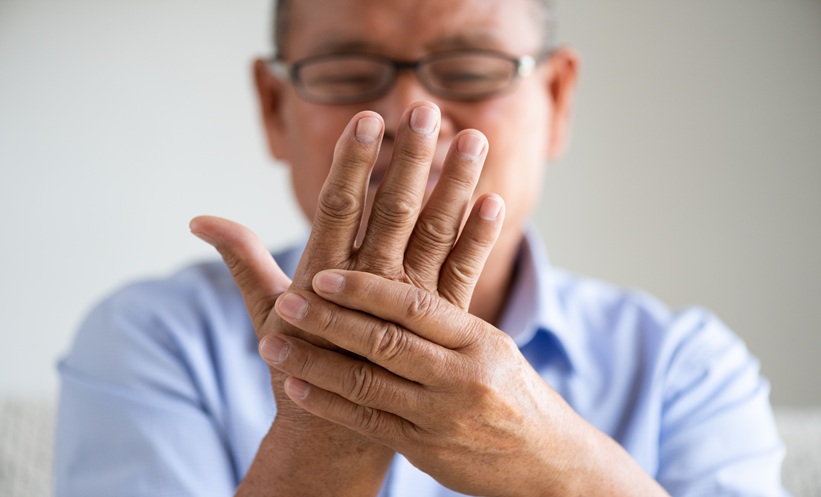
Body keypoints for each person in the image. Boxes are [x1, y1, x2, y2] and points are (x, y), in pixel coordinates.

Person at [54, 0, 790, 495]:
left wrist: (548, 456)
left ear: (557, 100)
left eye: (470, 69)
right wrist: (326, 425)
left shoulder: (683, 365)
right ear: (274, 107)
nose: (413, 117)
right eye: (346, 72)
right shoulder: (153, 338)